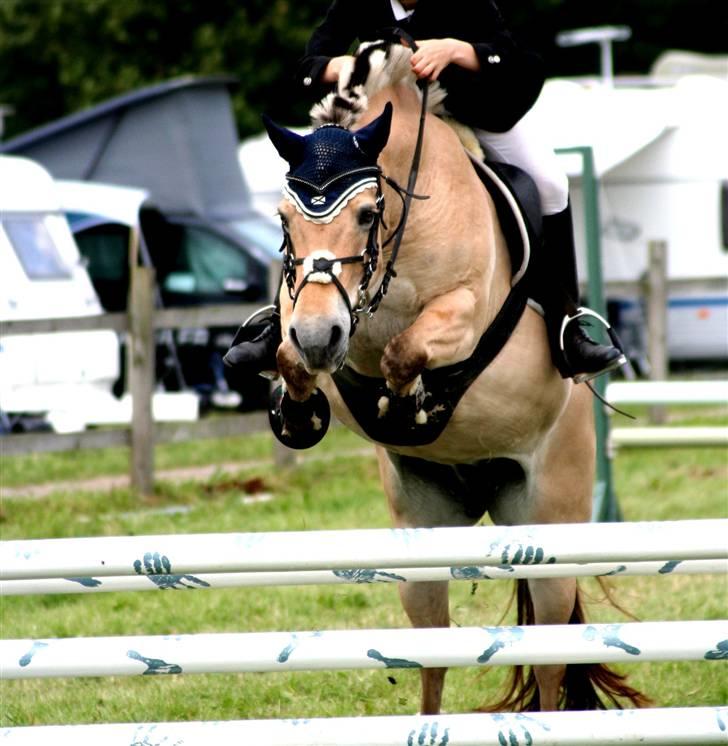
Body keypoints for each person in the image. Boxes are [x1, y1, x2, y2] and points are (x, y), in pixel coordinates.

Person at [224, 0, 625, 382]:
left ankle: (565, 324)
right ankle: (275, 328)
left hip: (466, 111)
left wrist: (457, 51)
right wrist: (337, 66)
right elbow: (308, 65)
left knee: (550, 181)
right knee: (318, 194)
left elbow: (514, 57)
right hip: (383, 121)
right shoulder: (357, 1)